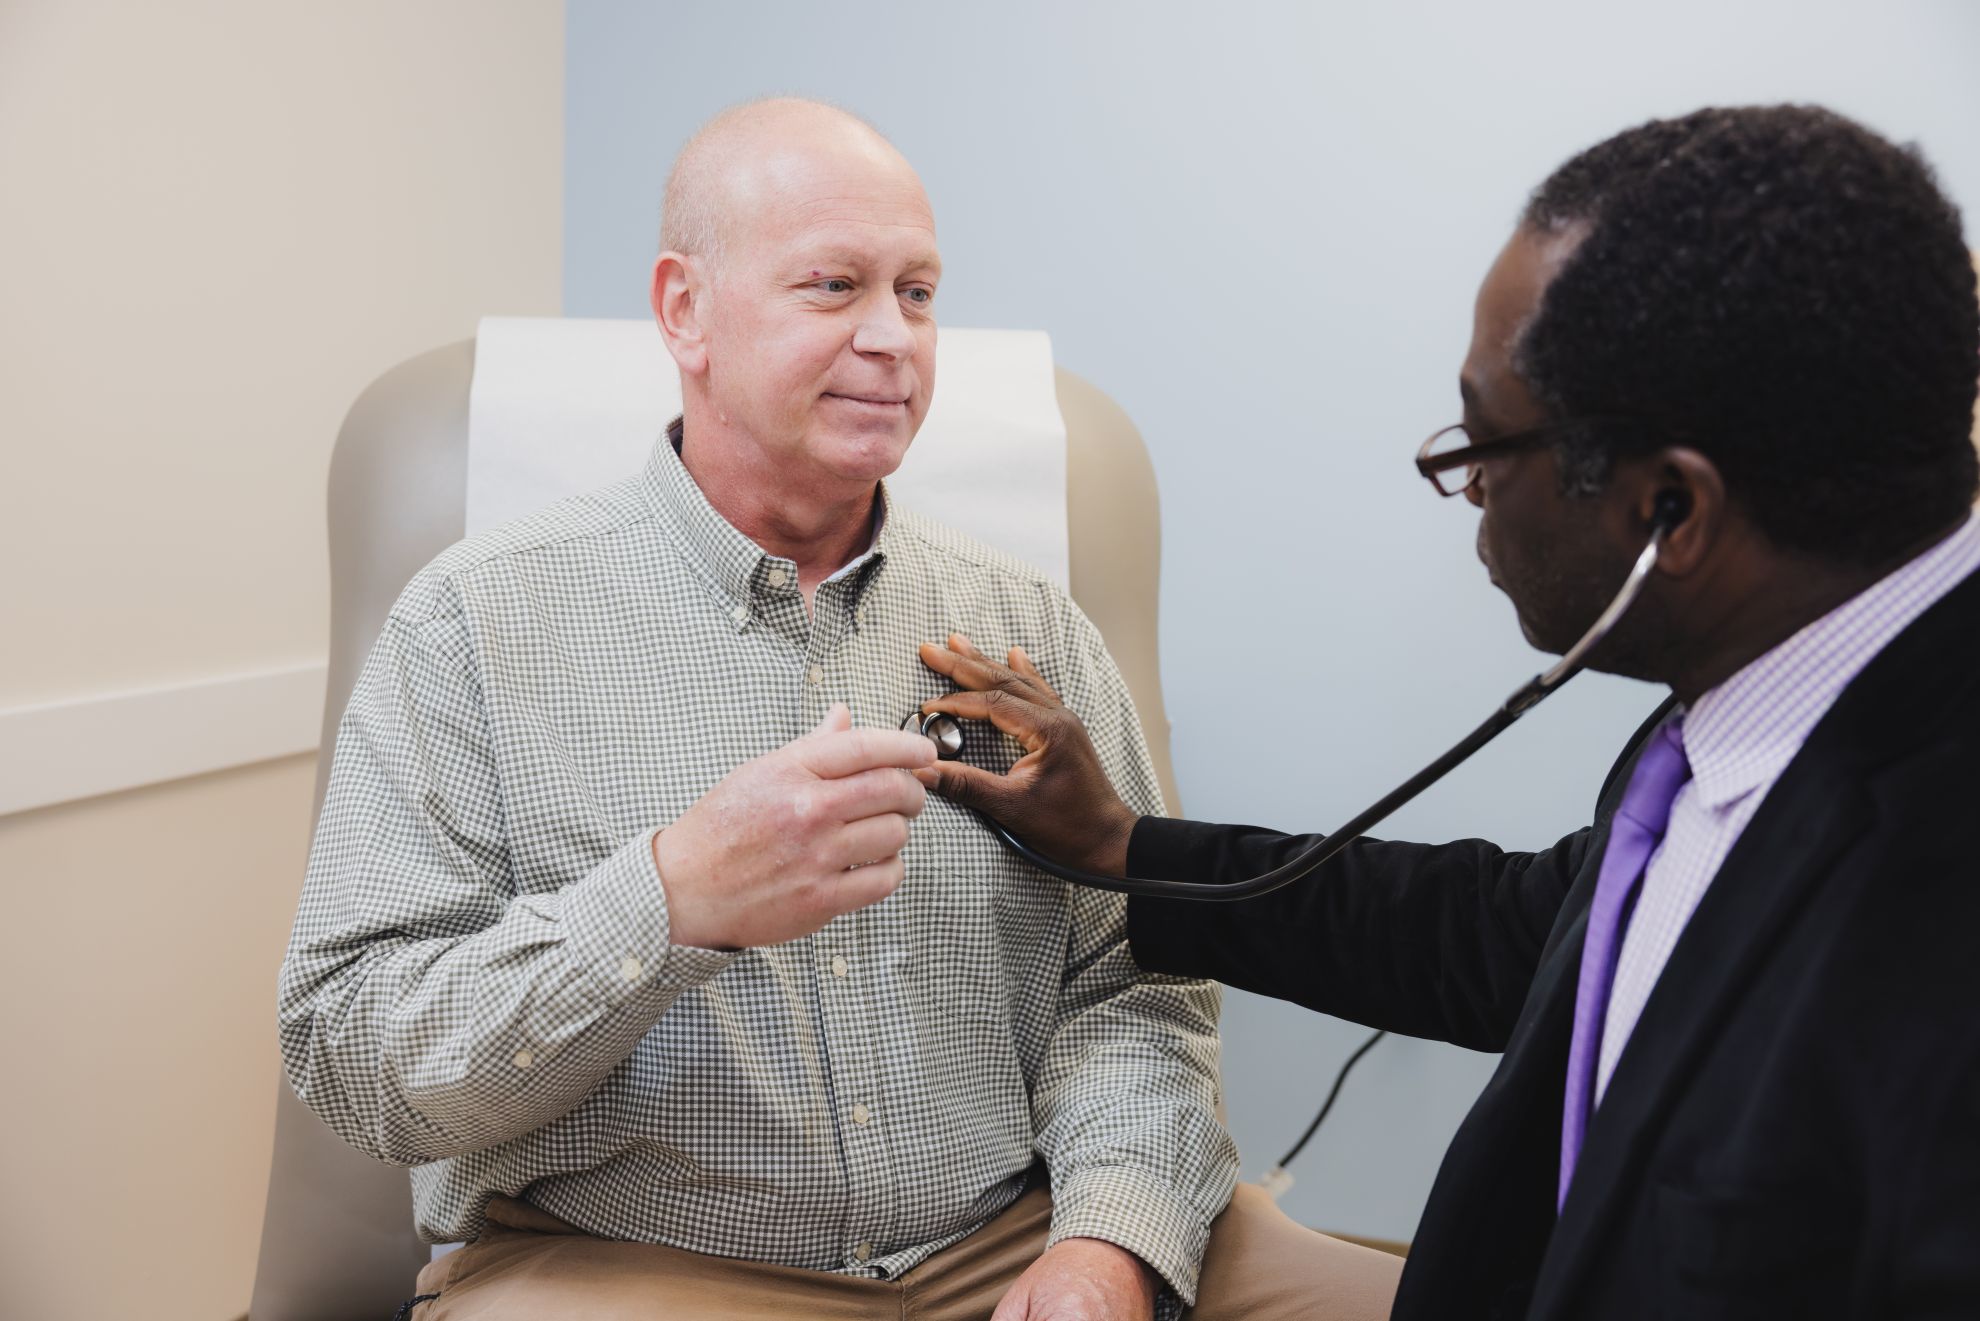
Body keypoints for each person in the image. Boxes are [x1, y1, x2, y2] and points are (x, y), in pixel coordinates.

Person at [280, 98, 1403, 1320]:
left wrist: (1109, 1246)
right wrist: (667, 900)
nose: (895, 341)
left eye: (918, 293)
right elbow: (358, 1056)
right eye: (833, 286)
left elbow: (1137, 997)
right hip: (632, 1264)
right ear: (684, 311)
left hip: (1019, 1234)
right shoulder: (474, 623)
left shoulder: (1027, 624)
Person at [917, 104, 1980, 1319]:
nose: (1467, 482)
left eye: (1486, 439)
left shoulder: (1933, 930)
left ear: (1669, 515)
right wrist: (1123, 848)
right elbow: (1510, 935)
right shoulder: (1761, 704)